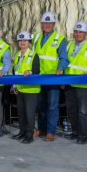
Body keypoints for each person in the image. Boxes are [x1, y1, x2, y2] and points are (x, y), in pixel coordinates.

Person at [64, 21, 87, 145]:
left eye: (81, 32)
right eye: (76, 32)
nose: (78, 34)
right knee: (71, 110)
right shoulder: (69, 45)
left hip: (84, 85)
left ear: (86, 33)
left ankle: (83, 135)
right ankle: (75, 132)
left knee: (83, 111)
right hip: (70, 84)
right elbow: (64, 62)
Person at [33, 11, 69, 142]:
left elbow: (64, 59)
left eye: (50, 23)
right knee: (40, 105)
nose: (47, 25)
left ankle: (50, 131)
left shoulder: (60, 39)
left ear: (54, 24)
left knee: (52, 106)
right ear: (41, 24)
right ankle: (41, 129)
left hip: (53, 78)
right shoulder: (36, 38)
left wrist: (60, 68)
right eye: (45, 23)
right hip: (39, 78)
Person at [11, 31, 40, 144]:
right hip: (20, 88)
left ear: (29, 42)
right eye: (21, 41)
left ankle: (29, 135)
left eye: (25, 41)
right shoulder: (17, 55)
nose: (23, 42)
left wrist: (30, 72)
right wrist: (14, 86)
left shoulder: (34, 55)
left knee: (29, 113)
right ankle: (22, 132)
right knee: (21, 113)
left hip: (31, 89)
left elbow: (37, 71)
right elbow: (15, 71)